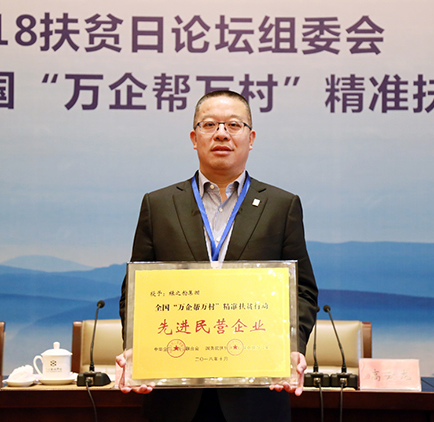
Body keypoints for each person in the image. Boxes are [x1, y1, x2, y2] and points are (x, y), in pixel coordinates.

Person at [116, 90, 319, 422]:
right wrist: (137, 347)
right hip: (175, 389)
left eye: (234, 125)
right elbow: (136, 290)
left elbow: (303, 291)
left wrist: (291, 347)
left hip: (255, 391)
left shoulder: (282, 206)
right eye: (209, 125)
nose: (222, 133)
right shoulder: (159, 204)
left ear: (251, 138)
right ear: (194, 138)